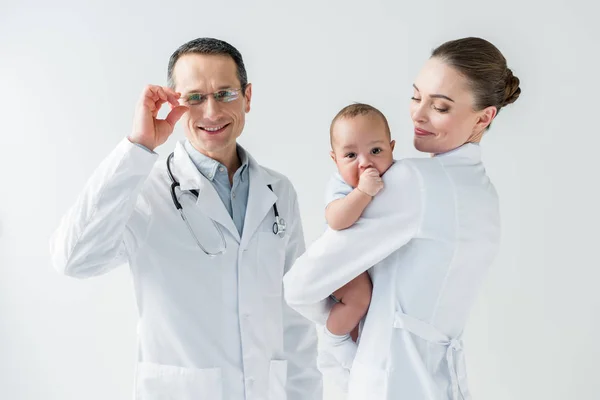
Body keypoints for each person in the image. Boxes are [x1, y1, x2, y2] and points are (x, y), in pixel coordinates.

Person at [49, 37, 322, 400]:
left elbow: (295, 319)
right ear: (175, 104)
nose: (211, 112)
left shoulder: (278, 192)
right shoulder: (144, 191)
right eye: (194, 98)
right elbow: (73, 259)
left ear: (248, 96)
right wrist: (137, 146)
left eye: (225, 93)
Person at [283, 36, 521, 400]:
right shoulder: (485, 194)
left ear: (484, 116)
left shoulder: (413, 183)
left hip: (388, 380)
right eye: (416, 97)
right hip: (444, 383)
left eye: (440, 106)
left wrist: (339, 327)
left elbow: (301, 285)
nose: (418, 114)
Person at [321, 103, 395, 369]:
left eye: (376, 150)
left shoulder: (396, 177)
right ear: (335, 160)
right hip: (340, 263)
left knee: (365, 320)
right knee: (359, 298)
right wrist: (363, 192)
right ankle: (334, 340)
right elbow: (336, 220)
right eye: (350, 155)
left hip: (365, 262)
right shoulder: (341, 185)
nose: (365, 162)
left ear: (392, 148)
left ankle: (351, 362)